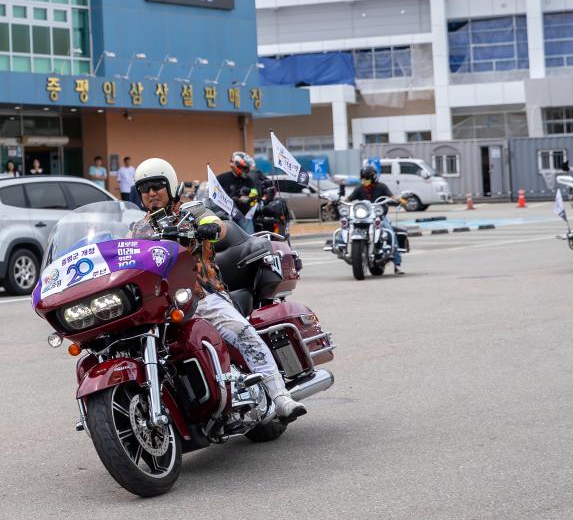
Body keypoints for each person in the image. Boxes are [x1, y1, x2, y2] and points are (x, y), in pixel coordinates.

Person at [129, 158, 306, 423]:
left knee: (241, 331)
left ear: (171, 186)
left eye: (157, 186)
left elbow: (218, 225)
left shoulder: (191, 211)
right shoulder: (137, 230)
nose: (151, 193)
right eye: (145, 188)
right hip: (159, 305)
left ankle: (280, 396)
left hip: (200, 296)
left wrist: (210, 228)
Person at [346, 165, 406, 274]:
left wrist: (398, 199)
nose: (365, 181)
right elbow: (349, 199)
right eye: (363, 179)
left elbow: (391, 196)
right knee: (346, 227)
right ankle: (341, 247)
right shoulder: (359, 189)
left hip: (379, 217)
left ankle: (397, 264)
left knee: (390, 233)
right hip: (364, 217)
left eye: (367, 178)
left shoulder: (381, 187)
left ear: (373, 177)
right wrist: (339, 201)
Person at [216, 151, 259, 233]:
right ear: (237, 166)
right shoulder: (222, 178)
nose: (246, 171)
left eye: (247, 168)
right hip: (224, 213)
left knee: (250, 235)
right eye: (244, 168)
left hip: (242, 214)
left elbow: (255, 193)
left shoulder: (248, 180)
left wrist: (249, 197)